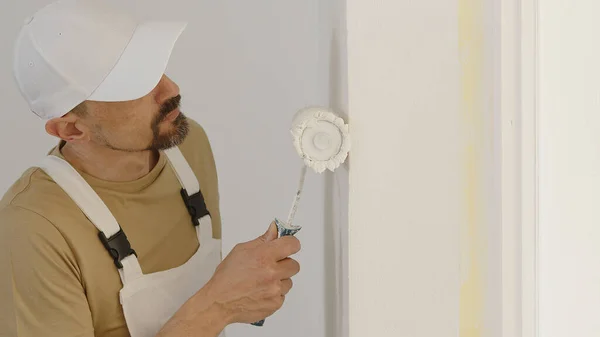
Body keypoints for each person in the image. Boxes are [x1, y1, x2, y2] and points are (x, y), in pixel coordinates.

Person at [0, 1, 301, 337]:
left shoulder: (186, 146)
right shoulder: (32, 228)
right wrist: (219, 306)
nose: (170, 90)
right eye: (133, 84)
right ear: (71, 130)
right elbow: (212, 309)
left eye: (153, 66)